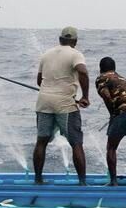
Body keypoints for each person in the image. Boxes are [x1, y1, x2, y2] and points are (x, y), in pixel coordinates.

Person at [33, 26, 90, 185]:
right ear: (75, 42)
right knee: (76, 143)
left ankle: (38, 179)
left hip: (43, 102)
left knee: (41, 142)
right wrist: (85, 96)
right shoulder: (75, 54)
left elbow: (39, 81)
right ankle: (82, 183)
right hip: (65, 105)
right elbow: (83, 71)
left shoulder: (46, 54)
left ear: (60, 39)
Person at [95, 57, 126, 185]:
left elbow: (106, 95)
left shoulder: (102, 78)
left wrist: (112, 113)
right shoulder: (120, 77)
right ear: (114, 68)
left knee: (111, 147)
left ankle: (113, 181)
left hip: (124, 114)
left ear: (100, 69)